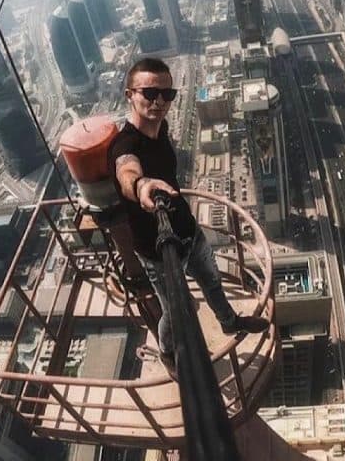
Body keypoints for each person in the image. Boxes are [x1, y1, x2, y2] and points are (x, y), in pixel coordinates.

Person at [109, 57, 267, 372]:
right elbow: (126, 169)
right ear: (129, 94)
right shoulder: (123, 144)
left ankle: (229, 321)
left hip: (189, 232)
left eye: (168, 95)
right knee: (177, 311)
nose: (160, 102)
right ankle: (168, 353)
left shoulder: (162, 127)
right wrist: (141, 185)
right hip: (157, 252)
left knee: (211, 282)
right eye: (149, 93)